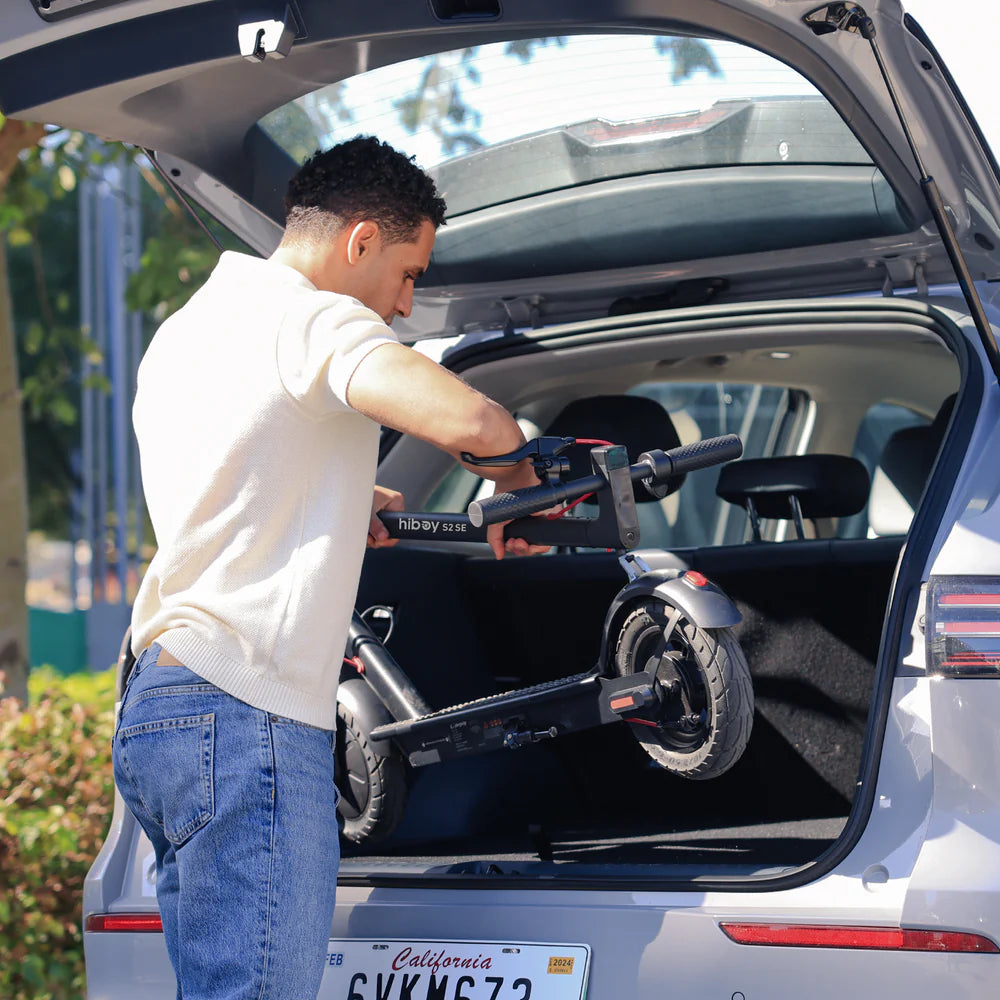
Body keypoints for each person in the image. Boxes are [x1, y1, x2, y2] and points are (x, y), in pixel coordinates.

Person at [111, 135, 545, 1000]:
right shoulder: (310, 316)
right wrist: (519, 480)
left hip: (159, 704)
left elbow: (234, 482)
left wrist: (341, 503)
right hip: (246, 714)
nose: (406, 304)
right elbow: (476, 421)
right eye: (409, 272)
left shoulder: (189, 328)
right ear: (359, 242)